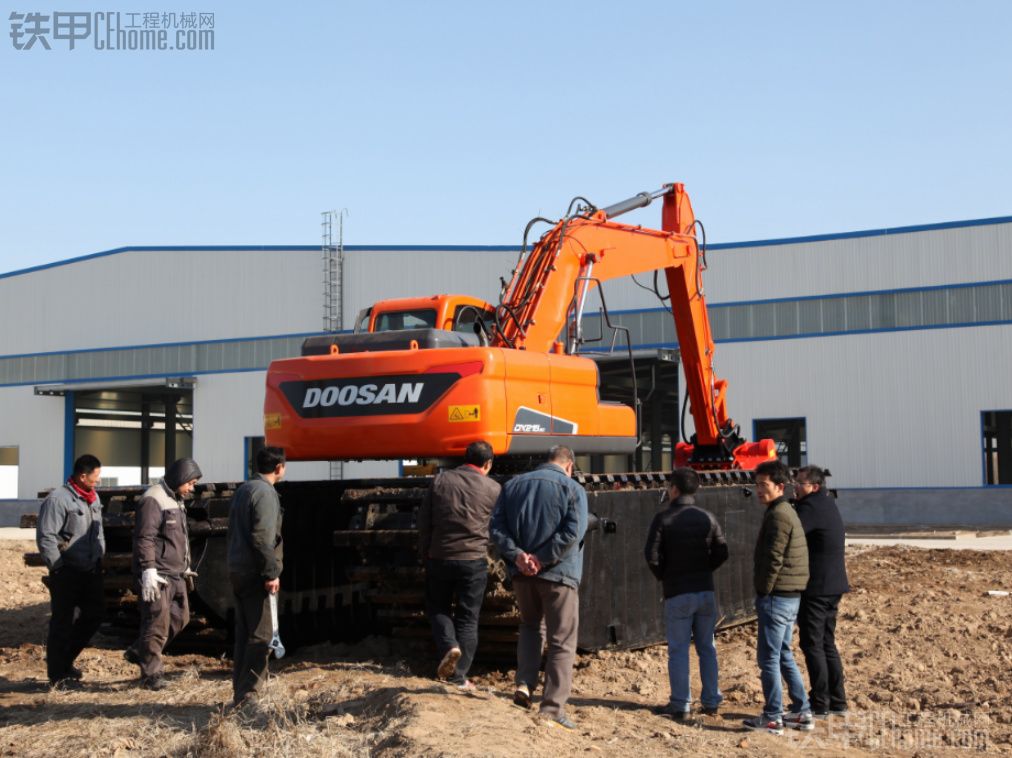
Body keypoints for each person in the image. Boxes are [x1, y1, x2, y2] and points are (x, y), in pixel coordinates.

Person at [490, 445, 588, 730]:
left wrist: (520, 556)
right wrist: (542, 559)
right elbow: (573, 532)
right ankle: (552, 708)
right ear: (569, 465)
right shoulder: (572, 489)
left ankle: (524, 684)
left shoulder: (513, 485)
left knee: (531, 627)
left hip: (522, 575)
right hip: (559, 575)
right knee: (562, 641)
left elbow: (497, 528)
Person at [644, 467, 728, 721]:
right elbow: (722, 552)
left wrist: (665, 576)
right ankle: (711, 702)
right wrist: (704, 569)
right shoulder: (707, 517)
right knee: (707, 648)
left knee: (679, 649)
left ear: (674, 489)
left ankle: (681, 704)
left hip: (677, 593)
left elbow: (651, 555)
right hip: (705, 591)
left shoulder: (663, 519)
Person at [418, 440, 501, 689]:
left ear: (464, 459)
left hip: (440, 557)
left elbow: (425, 522)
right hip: (473, 561)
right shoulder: (493, 488)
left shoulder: (440, 481)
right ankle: (458, 677)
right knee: (467, 618)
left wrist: (425, 554)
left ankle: (449, 646)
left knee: (438, 608)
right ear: (487, 463)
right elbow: (497, 527)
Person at [743, 459, 812, 735]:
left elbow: (773, 558)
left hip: (777, 596)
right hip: (788, 595)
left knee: (769, 658)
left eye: (764, 485)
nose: (759, 490)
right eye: (757, 485)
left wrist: (763, 590)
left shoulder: (779, 515)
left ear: (780, 486)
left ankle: (773, 716)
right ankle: (801, 711)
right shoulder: (784, 511)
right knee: (782, 654)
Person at [125, 457, 203, 690]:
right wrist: (148, 569)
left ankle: (141, 649)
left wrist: (185, 564)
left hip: (176, 573)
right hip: (159, 574)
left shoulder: (176, 500)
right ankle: (151, 675)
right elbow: (145, 537)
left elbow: (179, 538)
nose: (192, 488)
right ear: (180, 477)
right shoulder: (154, 499)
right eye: (190, 483)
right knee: (156, 623)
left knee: (181, 617)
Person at [36, 454, 106, 687]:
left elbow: (98, 531)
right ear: (82, 476)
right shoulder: (58, 500)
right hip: (67, 571)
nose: (98, 481)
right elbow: (46, 536)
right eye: (95, 477)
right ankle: (57, 675)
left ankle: (66, 660)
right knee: (61, 623)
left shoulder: (92, 498)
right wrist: (58, 568)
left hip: (90, 570)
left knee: (95, 614)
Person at [227, 446, 286, 707]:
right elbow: (263, 538)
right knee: (262, 637)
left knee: (244, 636)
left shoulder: (244, 489)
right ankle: (249, 696)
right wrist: (271, 572)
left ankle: (239, 693)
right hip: (255, 573)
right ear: (279, 468)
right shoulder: (265, 494)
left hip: (238, 569)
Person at [793, 465, 849, 719]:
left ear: (814, 487)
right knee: (826, 642)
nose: (795, 486)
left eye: (800, 483)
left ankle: (820, 702)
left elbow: (791, 533)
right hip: (833, 585)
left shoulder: (810, 507)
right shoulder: (827, 503)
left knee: (812, 643)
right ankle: (837, 700)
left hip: (817, 587)